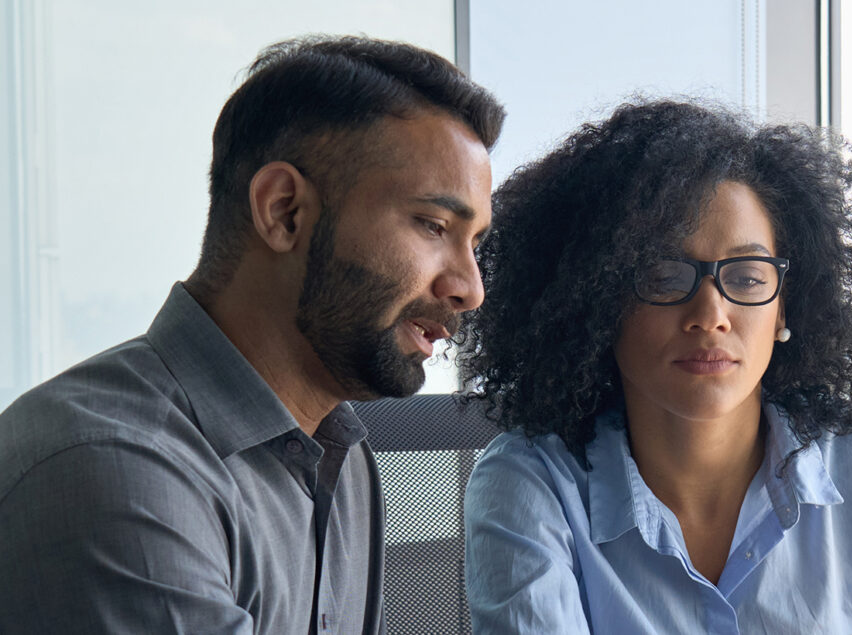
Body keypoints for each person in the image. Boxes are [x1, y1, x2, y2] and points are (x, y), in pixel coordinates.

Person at [0, 35, 503, 633]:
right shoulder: (114, 467)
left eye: (474, 244)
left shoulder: (344, 458)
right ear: (284, 211)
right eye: (432, 225)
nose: (469, 288)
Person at [459, 100, 852, 635]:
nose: (710, 315)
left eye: (747, 277)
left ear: (784, 307)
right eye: (664, 275)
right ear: (598, 301)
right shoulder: (528, 483)